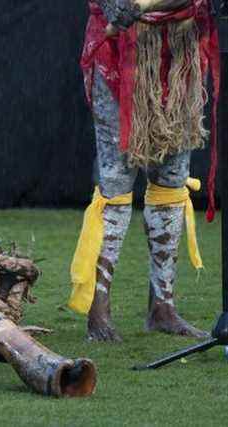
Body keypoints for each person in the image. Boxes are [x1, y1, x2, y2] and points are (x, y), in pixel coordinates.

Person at [70, 0, 220, 341]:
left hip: (181, 48)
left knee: (171, 180)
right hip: (122, 50)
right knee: (116, 182)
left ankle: (163, 306)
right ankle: (99, 309)